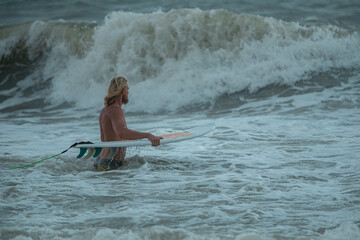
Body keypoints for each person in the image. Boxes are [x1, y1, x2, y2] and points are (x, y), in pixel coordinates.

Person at [94, 76, 162, 171]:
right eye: (127, 89)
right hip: (110, 163)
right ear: (122, 91)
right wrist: (147, 135)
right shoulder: (115, 110)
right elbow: (121, 133)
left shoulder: (105, 110)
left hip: (102, 160)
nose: (128, 92)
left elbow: (110, 137)